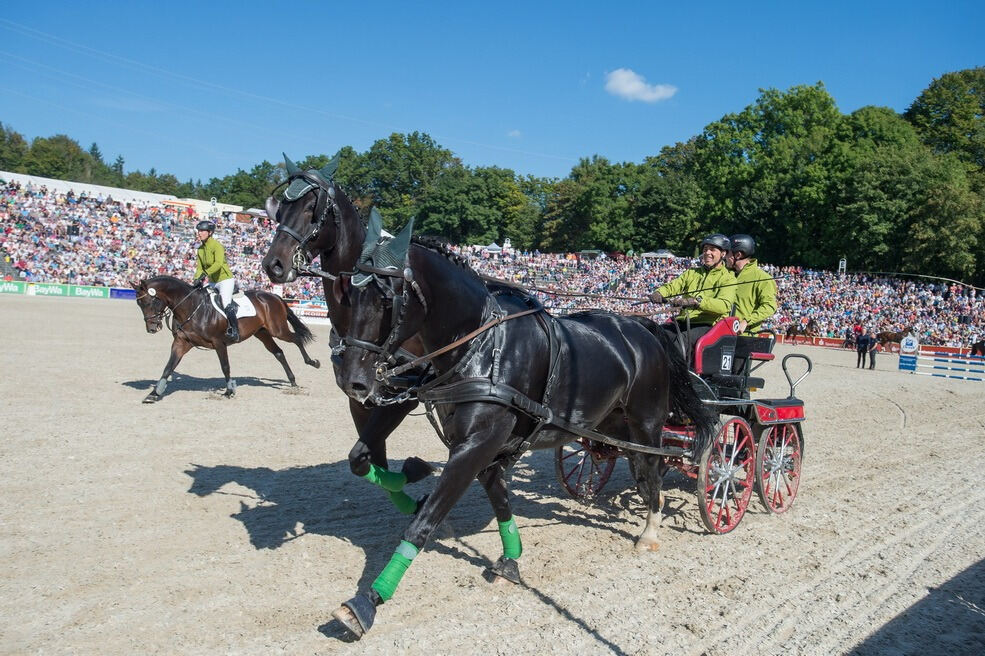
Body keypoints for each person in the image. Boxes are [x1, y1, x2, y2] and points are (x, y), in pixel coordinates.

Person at [650, 233, 737, 359]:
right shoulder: (691, 273)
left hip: (707, 325)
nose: (707, 253)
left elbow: (723, 305)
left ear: (723, 254)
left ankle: (677, 377)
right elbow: (673, 286)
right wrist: (659, 293)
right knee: (654, 337)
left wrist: (697, 301)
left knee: (679, 346)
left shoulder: (728, 278)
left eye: (712, 249)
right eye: (705, 249)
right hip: (682, 322)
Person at [193, 219, 238, 342]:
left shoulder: (217, 246)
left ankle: (234, 330)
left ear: (210, 232)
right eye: (199, 231)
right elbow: (199, 267)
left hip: (225, 280)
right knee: (200, 297)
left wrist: (205, 274)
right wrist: (196, 279)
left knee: (225, 302)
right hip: (212, 281)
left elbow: (218, 264)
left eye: (202, 231)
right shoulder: (200, 249)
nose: (199, 233)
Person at [725, 234, 776, 335]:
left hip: (745, 336)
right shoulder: (725, 274)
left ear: (738, 255)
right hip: (721, 333)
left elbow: (769, 306)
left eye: (727, 253)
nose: (724, 256)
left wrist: (746, 321)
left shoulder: (762, 278)